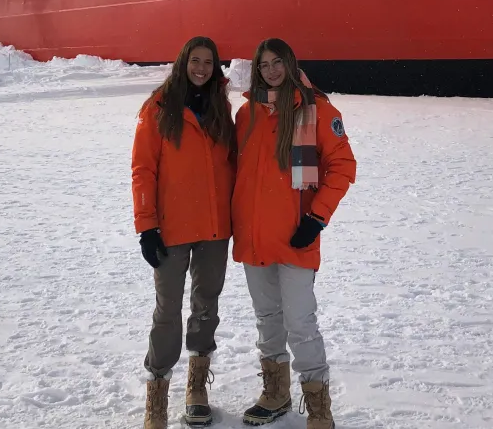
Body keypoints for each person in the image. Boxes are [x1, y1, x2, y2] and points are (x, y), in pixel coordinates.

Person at [232, 38, 356, 429]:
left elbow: (343, 167)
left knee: (301, 323)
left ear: (290, 63)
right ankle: (275, 392)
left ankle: (319, 407)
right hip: (254, 238)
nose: (271, 70)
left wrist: (316, 218)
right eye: (264, 64)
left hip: (296, 236)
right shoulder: (246, 114)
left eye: (277, 62)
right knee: (268, 318)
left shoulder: (317, 110)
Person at [131, 36, 237, 429]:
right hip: (171, 229)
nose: (202, 68)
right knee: (167, 312)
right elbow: (143, 169)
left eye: (209, 62)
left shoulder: (221, 108)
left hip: (213, 228)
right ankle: (157, 392)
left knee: (206, 305)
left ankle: (196, 387)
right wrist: (147, 227)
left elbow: (233, 165)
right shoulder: (158, 107)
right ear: (183, 62)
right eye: (196, 60)